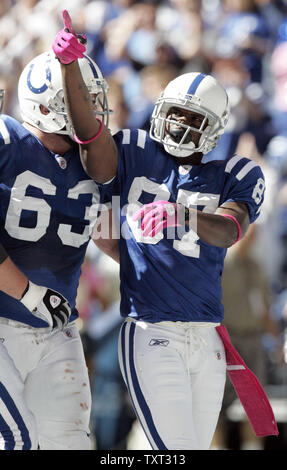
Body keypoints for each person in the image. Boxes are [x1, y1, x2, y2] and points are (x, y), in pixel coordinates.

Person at [53, 11, 267, 450]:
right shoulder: (136, 152)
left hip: (206, 337)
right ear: (160, 111)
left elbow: (229, 230)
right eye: (175, 115)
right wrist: (70, 65)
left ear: (214, 129)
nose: (179, 127)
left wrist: (181, 215)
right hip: (153, 332)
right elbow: (92, 139)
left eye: (194, 121)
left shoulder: (234, 173)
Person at [0, 42, 111, 449]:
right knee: (15, 440)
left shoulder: (93, 163)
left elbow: (113, 239)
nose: (89, 108)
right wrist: (27, 293)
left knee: (71, 442)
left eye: (92, 98)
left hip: (55, 331)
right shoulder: (7, 140)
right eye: (79, 98)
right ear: (46, 104)